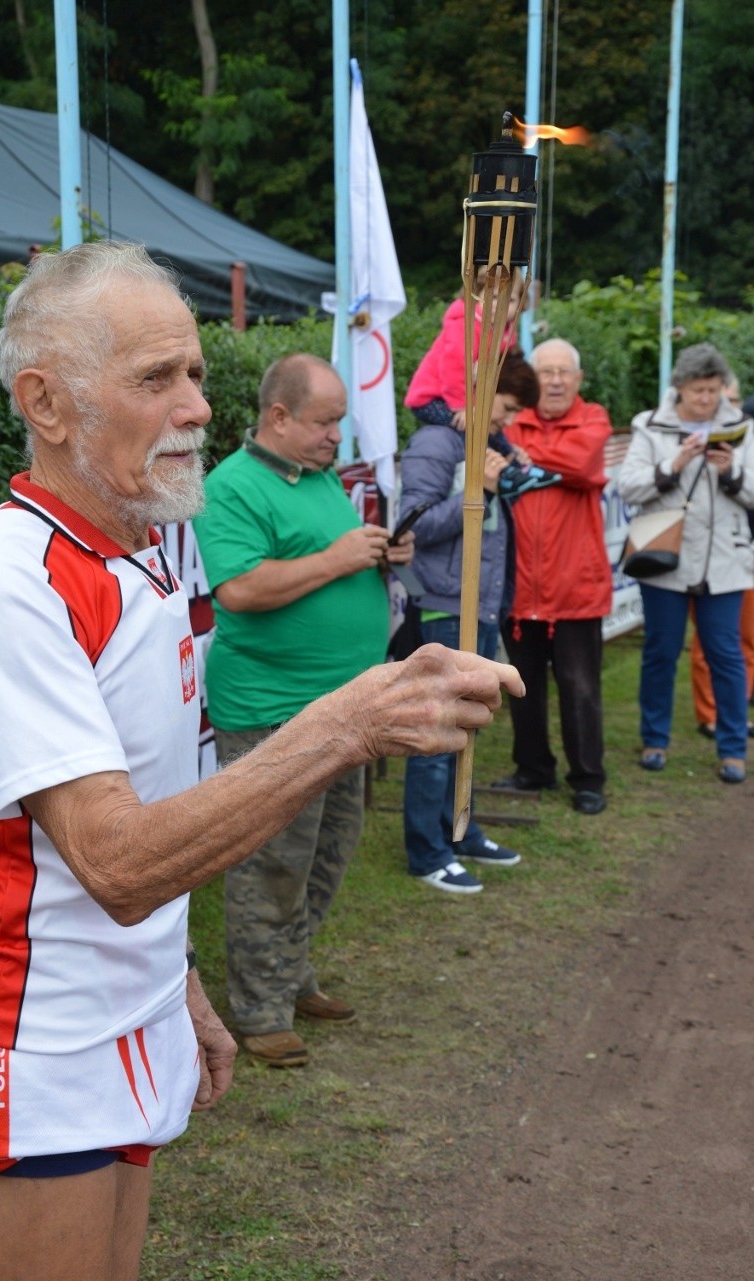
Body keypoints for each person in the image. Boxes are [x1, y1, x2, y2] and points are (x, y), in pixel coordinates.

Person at [0, 242, 524, 1281]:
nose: (197, 405)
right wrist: (348, 724)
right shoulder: (8, 580)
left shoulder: (136, 548)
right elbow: (113, 859)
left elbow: (145, 801)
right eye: (157, 379)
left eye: (194, 372)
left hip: (128, 1001)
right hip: (42, 1037)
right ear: (46, 404)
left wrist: (176, 981)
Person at [192, 353, 417, 1069]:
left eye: (341, 421)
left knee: (329, 850)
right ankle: (260, 1006)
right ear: (279, 416)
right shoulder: (232, 486)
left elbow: (331, 556)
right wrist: (343, 558)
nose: (335, 436)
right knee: (272, 860)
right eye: (324, 422)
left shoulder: (318, 479)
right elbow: (241, 590)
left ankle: (290, 973)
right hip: (271, 710)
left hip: (342, 707)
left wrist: (381, 553)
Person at [398, 354, 541, 892]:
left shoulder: (483, 443)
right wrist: (475, 489)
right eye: (504, 410)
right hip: (443, 604)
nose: (507, 424)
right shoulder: (436, 444)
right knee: (437, 729)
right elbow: (411, 526)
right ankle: (427, 850)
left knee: (467, 726)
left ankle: (461, 828)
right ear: (478, 395)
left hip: (477, 604)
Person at [618, 342, 754, 783]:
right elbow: (628, 487)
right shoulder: (651, 426)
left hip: (724, 563)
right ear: (679, 388)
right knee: (660, 652)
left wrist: (730, 471)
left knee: (726, 654)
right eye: (698, 390)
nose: (707, 399)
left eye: (713, 390)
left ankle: (733, 748)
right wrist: (673, 464)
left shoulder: (742, 429)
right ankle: (655, 740)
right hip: (664, 561)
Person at [495, 338, 613, 814]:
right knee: (523, 685)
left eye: (566, 372)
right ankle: (532, 769)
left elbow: (584, 463)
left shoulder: (594, 418)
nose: (557, 381)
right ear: (532, 379)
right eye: (547, 372)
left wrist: (523, 455)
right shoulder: (512, 419)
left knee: (581, 687)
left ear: (579, 381)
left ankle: (588, 778)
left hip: (575, 586)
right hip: (518, 585)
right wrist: (541, 456)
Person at [403, 273, 560, 500]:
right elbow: (453, 368)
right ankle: (508, 471)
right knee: (474, 429)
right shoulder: (465, 325)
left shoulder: (506, 333)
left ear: (520, 305)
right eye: (492, 297)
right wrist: (463, 407)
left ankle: (515, 464)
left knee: (487, 427)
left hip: (458, 396)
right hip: (431, 398)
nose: (499, 305)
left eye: (510, 300)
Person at [689, 373, 754, 738]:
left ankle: (736, 711)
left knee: (744, 640)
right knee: (713, 640)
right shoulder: (713, 439)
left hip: (740, 550)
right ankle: (711, 714)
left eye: (729, 399)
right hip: (727, 553)